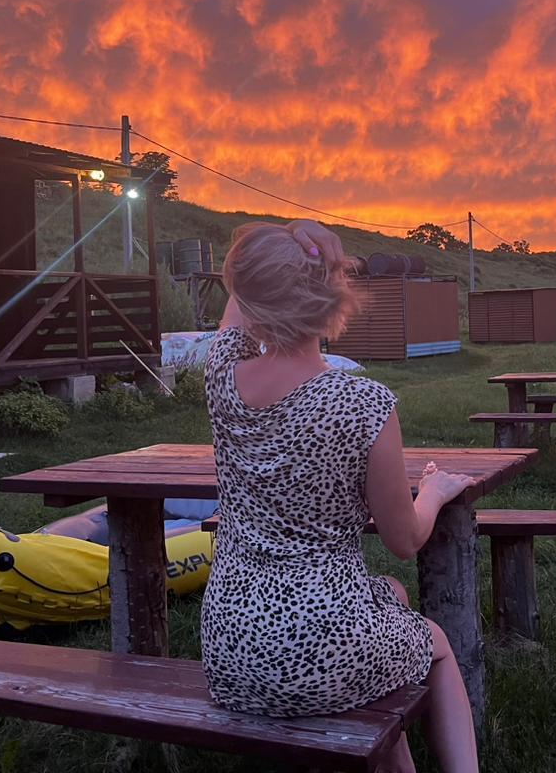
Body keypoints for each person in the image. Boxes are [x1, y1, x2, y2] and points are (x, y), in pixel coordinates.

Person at [201, 219, 480, 773]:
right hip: (320, 649)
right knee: (437, 644)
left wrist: (281, 242)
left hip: (230, 649)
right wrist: (433, 491)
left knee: (390, 598)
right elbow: (405, 539)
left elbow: (241, 297)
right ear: (332, 297)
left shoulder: (221, 374)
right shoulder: (363, 403)